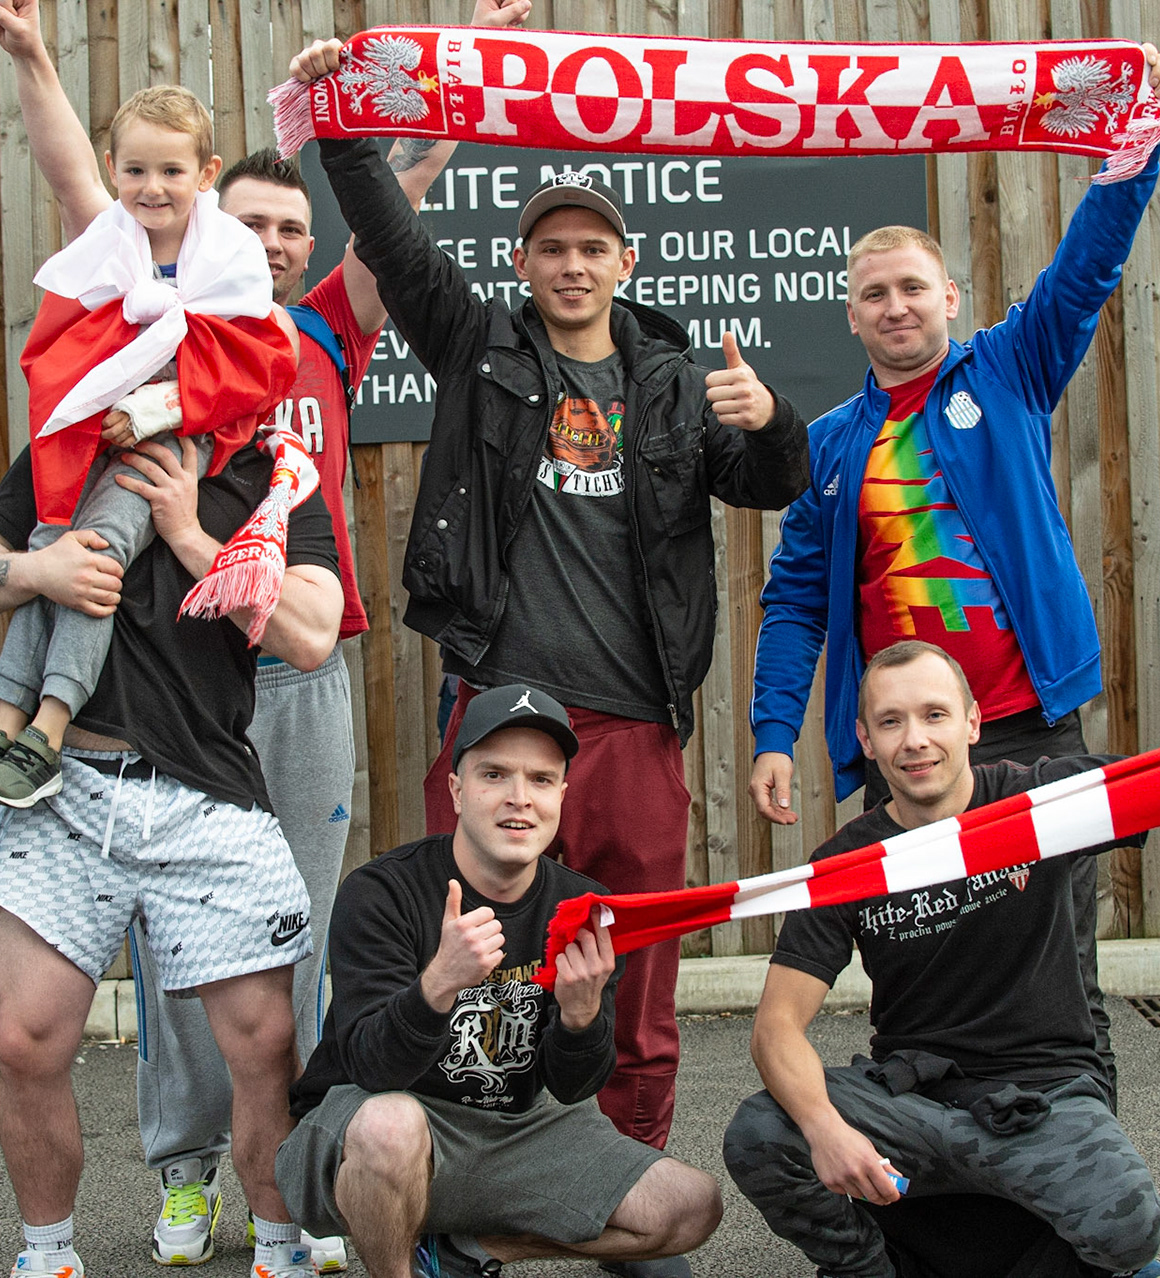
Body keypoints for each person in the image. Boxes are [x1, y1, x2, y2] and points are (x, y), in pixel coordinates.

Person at [0, 0, 531, 1265]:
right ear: (210, 226)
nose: (280, 244)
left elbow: (400, 198)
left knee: (279, 952)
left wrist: (447, 66)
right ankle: (185, 1173)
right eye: (258, 224)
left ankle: (288, 1177)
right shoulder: (162, 313)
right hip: (175, 670)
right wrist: (35, 65)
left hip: (296, 661)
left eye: (297, 229)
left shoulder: (323, 334)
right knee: (168, 950)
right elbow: (83, 181)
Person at [292, 37, 811, 1175]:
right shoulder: (478, 347)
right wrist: (338, 116)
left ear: (624, 261)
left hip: (632, 723)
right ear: (522, 261)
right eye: (551, 248)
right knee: (467, 962)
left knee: (634, 979)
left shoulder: (676, 380)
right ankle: (458, 1172)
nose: (572, 265)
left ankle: (623, 1181)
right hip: (495, 720)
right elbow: (385, 232)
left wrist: (770, 417)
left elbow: (774, 483)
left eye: (592, 247)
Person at [748, 43, 1160, 1106]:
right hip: (906, 748)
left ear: (950, 294)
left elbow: (1089, 267)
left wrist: (1143, 140)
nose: (895, 307)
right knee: (927, 963)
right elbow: (798, 598)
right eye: (872, 296)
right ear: (848, 316)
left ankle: (1086, 1158)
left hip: (1028, 727)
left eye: (912, 288)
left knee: (1061, 966)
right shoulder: (834, 444)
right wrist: (772, 733)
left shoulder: (1009, 368)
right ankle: (954, 1164)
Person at [0, 403, 344, 1271]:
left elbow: (312, 634)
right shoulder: (69, 444)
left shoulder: (275, 470)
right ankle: (45, 1256)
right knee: (27, 1036)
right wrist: (39, 569)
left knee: (264, 1044)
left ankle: (281, 1248)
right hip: (64, 787)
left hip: (205, 791)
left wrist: (192, 534)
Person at [725, 641, 1160, 1278]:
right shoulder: (846, 865)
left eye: (935, 715)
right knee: (761, 1134)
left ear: (973, 722)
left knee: (1128, 1224)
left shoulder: (1039, 803)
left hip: (1043, 1097)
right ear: (865, 739)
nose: (915, 740)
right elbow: (776, 1030)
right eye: (891, 721)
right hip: (915, 1104)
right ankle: (870, 1270)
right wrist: (825, 1127)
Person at [0, 69, 298, 809]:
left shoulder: (228, 259)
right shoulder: (112, 250)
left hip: (176, 444)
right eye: (135, 170)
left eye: (171, 171)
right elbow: (76, 335)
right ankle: (4, 729)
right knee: (48, 550)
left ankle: (49, 730)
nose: (152, 187)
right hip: (95, 437)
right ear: (114, 170)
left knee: (92, 559)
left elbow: (257, 364)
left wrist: (158, 407)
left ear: (205, 175)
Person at [277, 685, 723, 1278]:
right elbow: (370, 1068)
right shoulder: (381, 892)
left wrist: (581, 1016)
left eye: (541, 780)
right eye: (494, 775)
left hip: (513, 1127)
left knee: (690, 1207)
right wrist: (438, 984)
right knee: (391, 1127)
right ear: (457, 791)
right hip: (377, 1129)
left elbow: (572, 1088)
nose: (520, 799)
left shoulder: (585, 907)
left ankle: (473, 1250)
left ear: (563, 795)